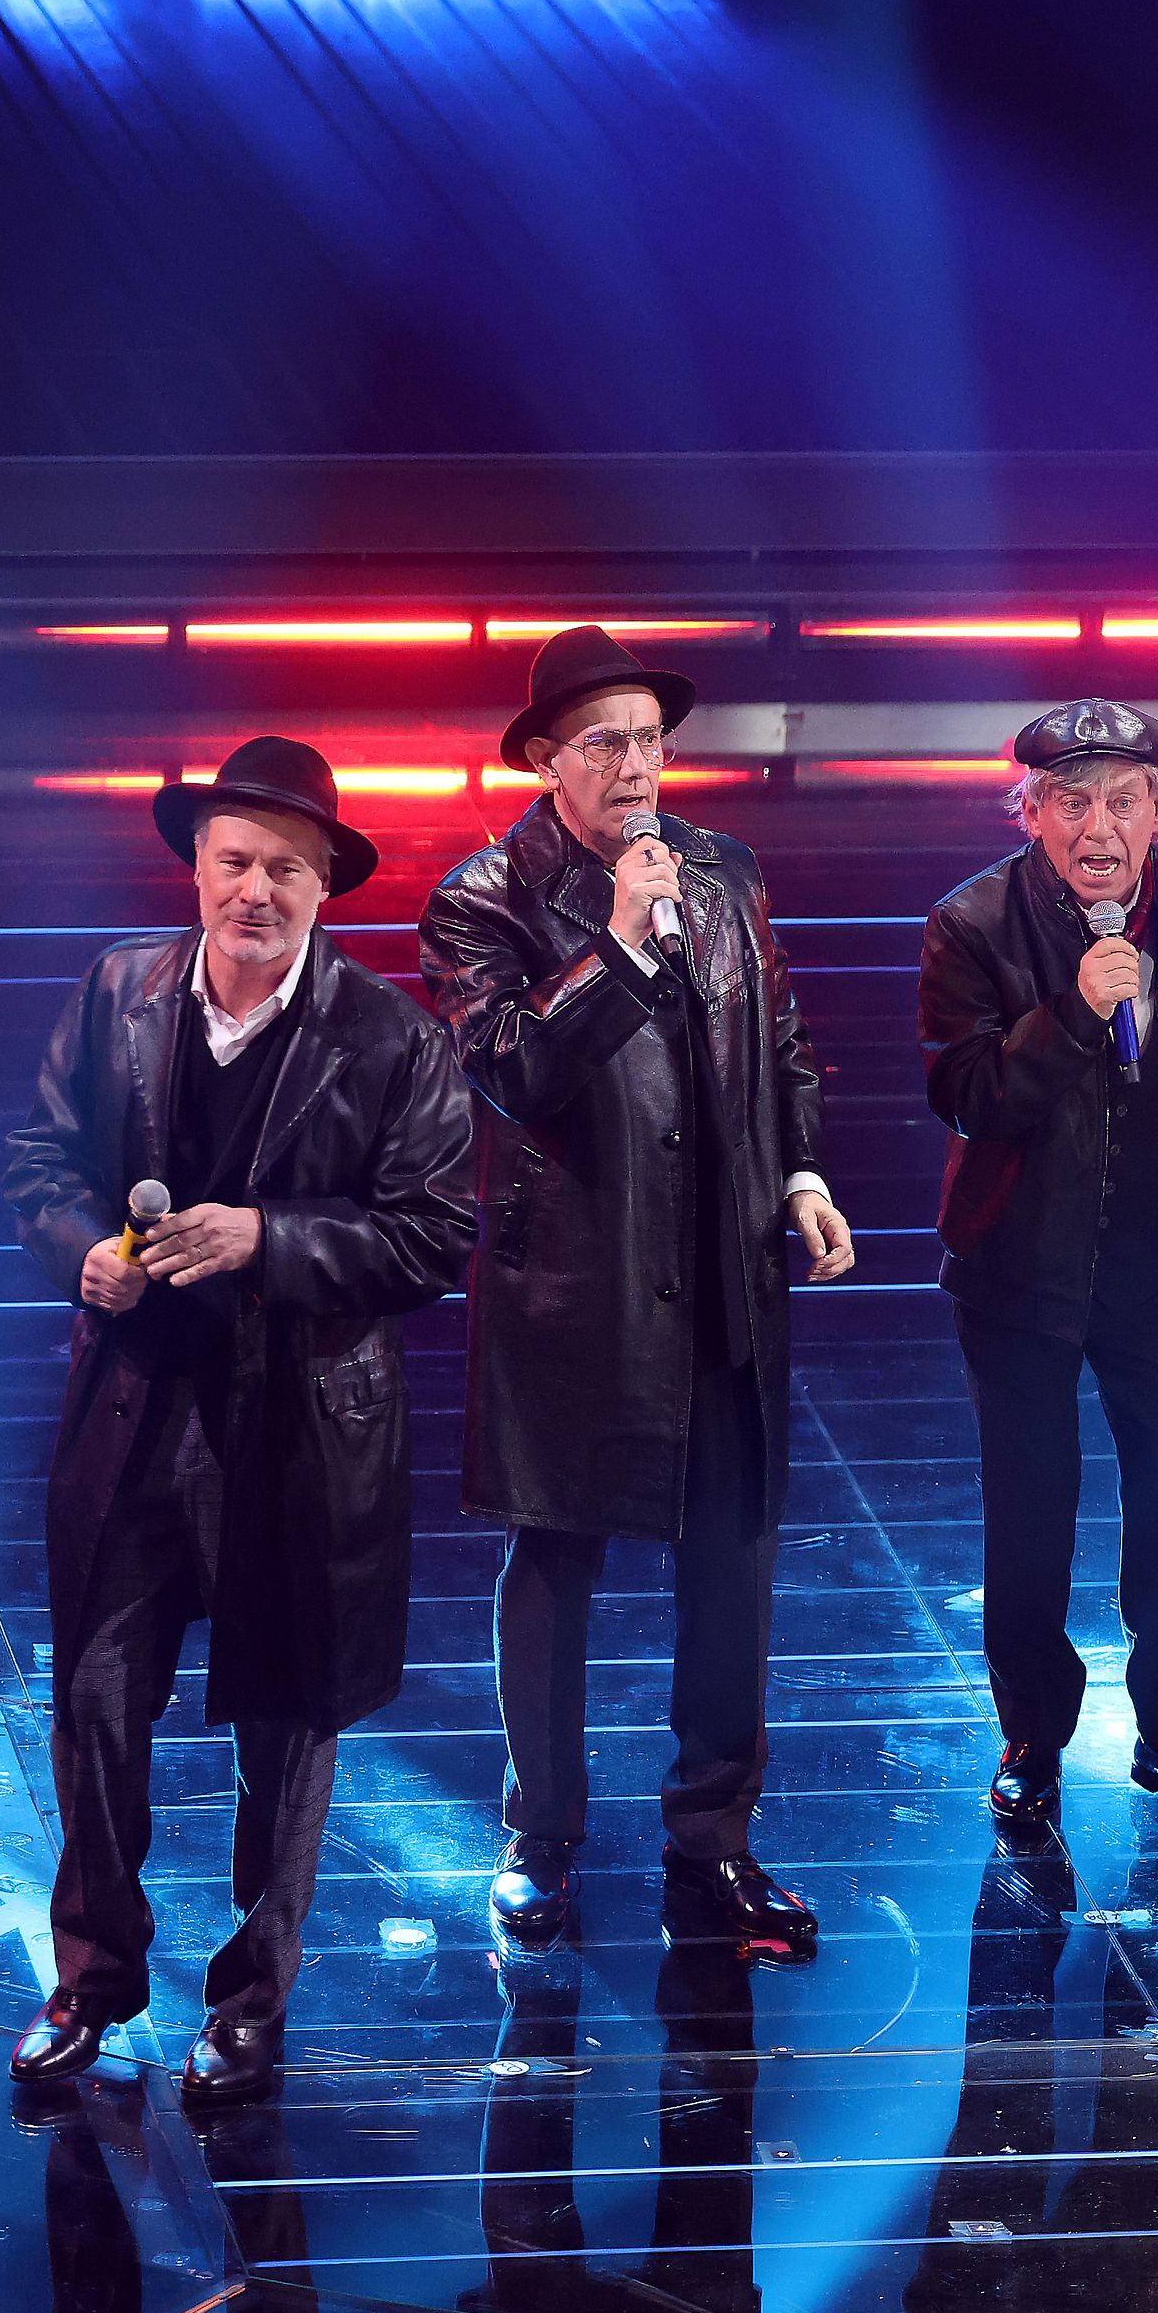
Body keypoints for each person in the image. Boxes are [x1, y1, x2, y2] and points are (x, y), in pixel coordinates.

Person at [0, 737, 475, 2100]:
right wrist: (82, 1253)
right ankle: (93, 1975)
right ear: (196, 868)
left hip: (302, 1426)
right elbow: (38, 1162)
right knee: (97, 1701)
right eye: (234, 862)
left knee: (290, 1722)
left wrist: (267, 1237)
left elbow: (435, 1234)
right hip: (136, 1411)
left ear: (325, 885)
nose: (254, 889)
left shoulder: (391, 1038)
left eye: (283, 868)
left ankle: (255, 1998)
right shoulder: (118, 992)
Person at [419, 624, 854, 1959]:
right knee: (555, 1559)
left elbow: (780, 1036)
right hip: (577, 1281)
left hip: (724, 1266)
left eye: (649, 738)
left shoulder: (723, 871)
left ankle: (713, 1836)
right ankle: (541, 1836)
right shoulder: (483, 897)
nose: (635, 763)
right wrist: (613, 944)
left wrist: (797, 1172)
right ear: (546, 760)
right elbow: (510, 1069)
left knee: (732, 1564)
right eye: (604, 740)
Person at [917, 698, 1158, 1842]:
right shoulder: (971, 921)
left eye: (1123, 800)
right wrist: (1076, 1009)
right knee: (1031, 1514)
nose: (1098, 826)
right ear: (1030, 813)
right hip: (1021, 1266)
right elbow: (967, 1094)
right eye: (1070, 802)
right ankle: (1032, 1738)